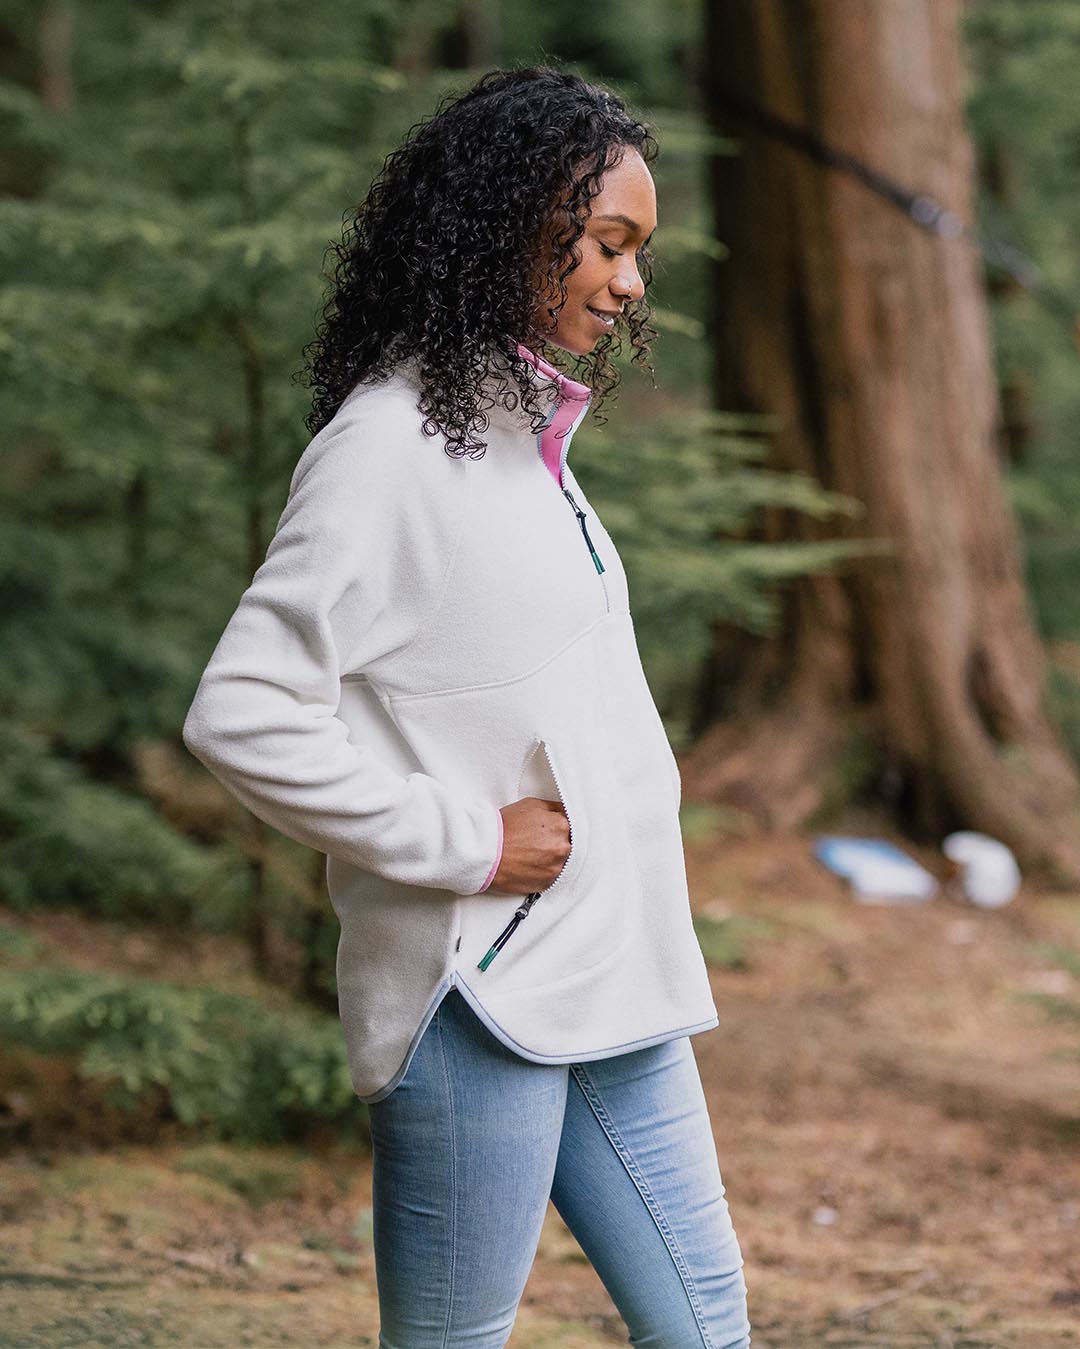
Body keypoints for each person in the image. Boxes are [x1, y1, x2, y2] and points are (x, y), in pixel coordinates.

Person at [182, 64, 750, 1348]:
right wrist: (467, 842)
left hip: (614, 971)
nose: (632, 282)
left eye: (639, 251)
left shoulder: (519, 438)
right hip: (476, 990)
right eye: (608, 242)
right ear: (512, 225)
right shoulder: (390, 447)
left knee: (706, 1320)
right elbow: (243, 709)